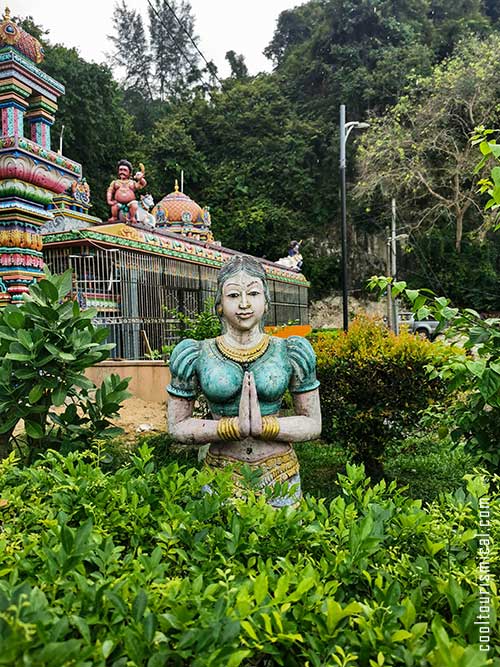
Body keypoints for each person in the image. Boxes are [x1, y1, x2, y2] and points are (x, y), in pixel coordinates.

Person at [167, 254, 321, 507]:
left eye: (253, 294)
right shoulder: (196, 354)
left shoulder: (290, 351)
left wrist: (266, 428)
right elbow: (177, 425)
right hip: (221, 472)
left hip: (279, 472)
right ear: (219, 303)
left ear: (267, 301)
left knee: (281, 540)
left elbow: (313, 423)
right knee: (224, 543)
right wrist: (230, 428)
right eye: (233, 295)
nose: (244, 304)